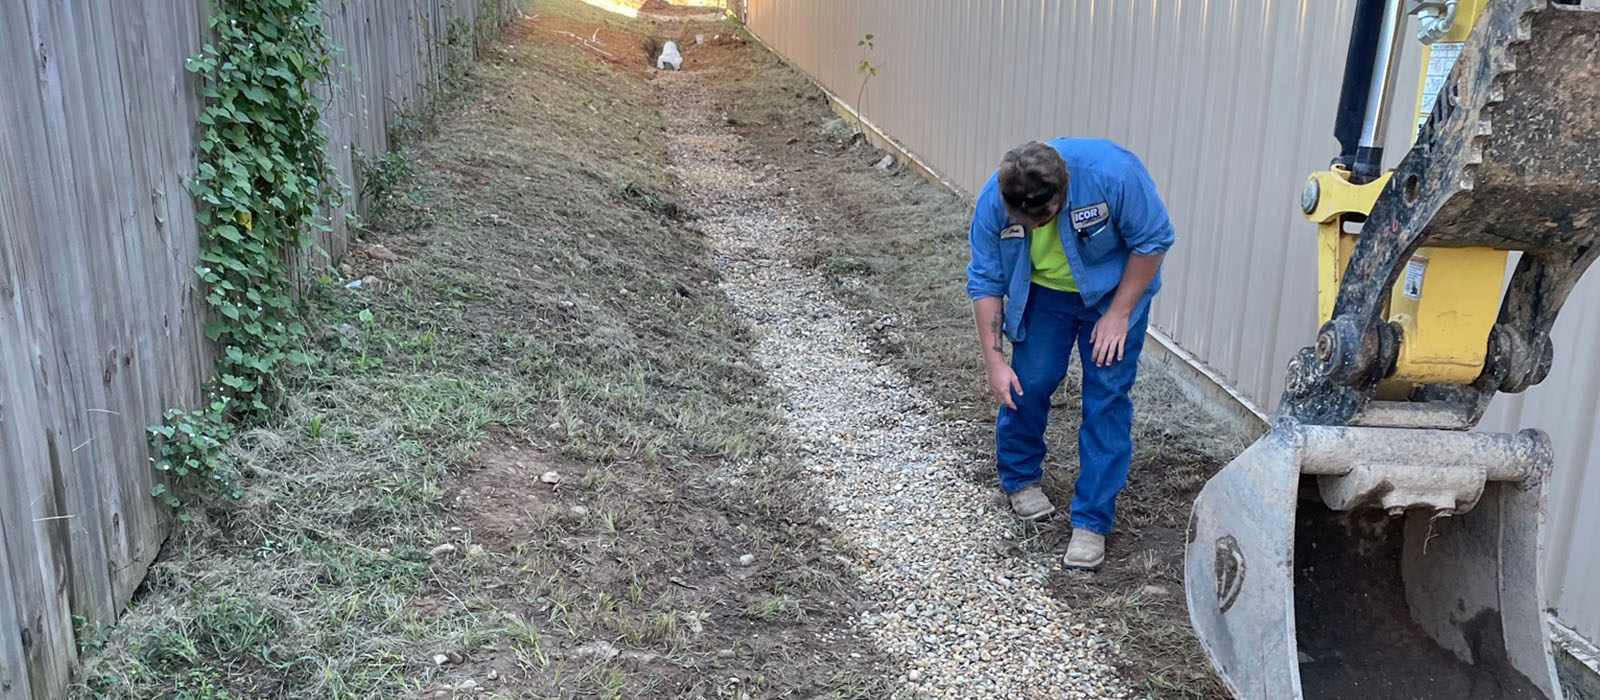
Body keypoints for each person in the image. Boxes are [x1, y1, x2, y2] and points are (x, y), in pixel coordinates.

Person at [965, 138, 1174, 570]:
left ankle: (1091, 521)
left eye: (1043, 218)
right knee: (1030, 379)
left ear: (1064, 190)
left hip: (1113, 294)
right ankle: (1020, 477)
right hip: (1044, 294)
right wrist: (995, 362)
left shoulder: (1113, 176)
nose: (1035, 227)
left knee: (1106, 397)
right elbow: (985, 279)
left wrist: (1119, 314)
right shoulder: (994, 199)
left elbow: (1153, 240)